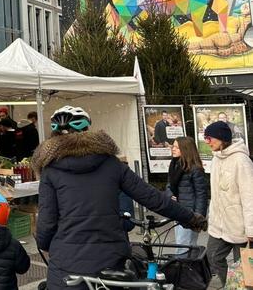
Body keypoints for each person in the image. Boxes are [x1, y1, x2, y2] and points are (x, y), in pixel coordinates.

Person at [33, 106, 205, 288]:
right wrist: (191, 218)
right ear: (87, 130)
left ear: (55, 135)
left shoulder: (51, 170)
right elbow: (153, 198)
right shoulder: (111, 164)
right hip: (109, 260)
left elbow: (46, 220)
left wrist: (45, 244)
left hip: (66, 263)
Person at [203, 121, 253, 285]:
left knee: (245, 270)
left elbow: (249, 197)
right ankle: (229, 286)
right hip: (219, 225)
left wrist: (251, 228)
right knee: (213, 256)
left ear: (221, 138)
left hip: (240, 227)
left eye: (209, 138)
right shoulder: (216, 158)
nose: (207, 141)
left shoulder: (241, 160)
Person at [166, 137, 206, 255]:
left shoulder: (195, 169)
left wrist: (198, 217)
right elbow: (169, 184)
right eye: (173, 146)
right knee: (183, 245)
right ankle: (190, 270)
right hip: (177, 210)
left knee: (184, 247)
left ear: (186, 149)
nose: (173, 149)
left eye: (177, 147)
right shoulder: (174, 164)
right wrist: (170, 194)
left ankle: (185, 271)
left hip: (190, 214)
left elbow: (201, 194)